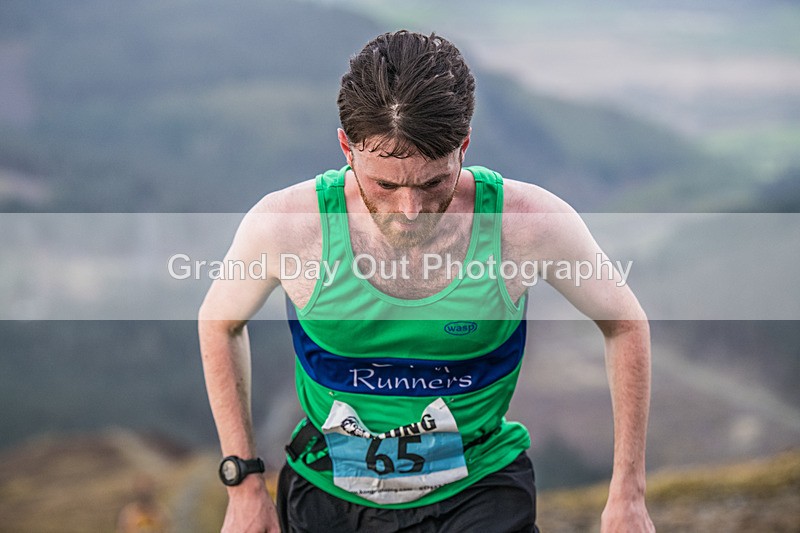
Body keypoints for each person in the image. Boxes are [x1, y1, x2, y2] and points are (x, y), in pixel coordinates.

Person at [199, 30, 654, 532]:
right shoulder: (288, 226)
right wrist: (242, 485)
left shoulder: (526, 223)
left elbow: (625, 324)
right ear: (346, 147)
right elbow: (218, 323)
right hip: (329, 493)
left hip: (479, 490)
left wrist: (628, 494)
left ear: (464, 146)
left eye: (433, 182)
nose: (409, 211)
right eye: (385, 185)